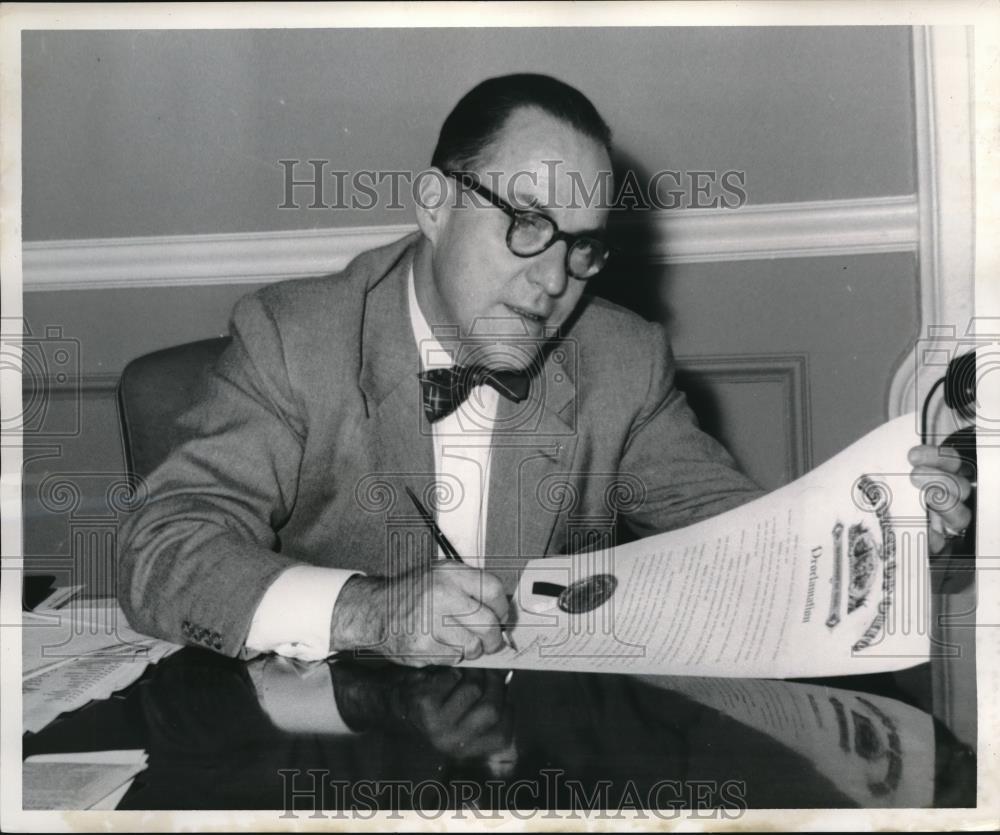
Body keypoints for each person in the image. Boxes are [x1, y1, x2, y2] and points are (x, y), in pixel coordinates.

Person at [117, 73, 973, 668]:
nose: (554, 278)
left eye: (582, 244)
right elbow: (164, 550)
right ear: (435, 203)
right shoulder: (292, 336)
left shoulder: (622, 359)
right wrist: (365, 611)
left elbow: (739, 541)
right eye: (526, 222)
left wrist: (882, 532)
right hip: (326, 752)